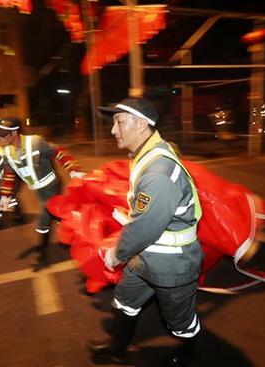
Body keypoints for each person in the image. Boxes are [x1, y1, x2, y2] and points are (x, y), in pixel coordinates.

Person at [88, 97, 203, 367]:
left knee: (180, 320)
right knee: (126, 301)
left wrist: (116, 254)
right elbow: (147, 217)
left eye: (119, 122)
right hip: (144, 258)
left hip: (172, 264)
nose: (113, 129)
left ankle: (189, 354)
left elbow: (145, 227)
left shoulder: (158, 172)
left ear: (141, 125)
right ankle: (116, 348)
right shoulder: (146, 156)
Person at [0, 117, 84, 269]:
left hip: (51, 186)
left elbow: (58, 152)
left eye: (3, 135)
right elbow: (9, 173)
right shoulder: (8, 152)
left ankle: (41, 253)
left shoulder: (35, 143)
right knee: (57, 214)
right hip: (38, 190)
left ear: (14, 133)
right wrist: (5, 194)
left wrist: (73, 169)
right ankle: (76, 233)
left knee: (44, 217)